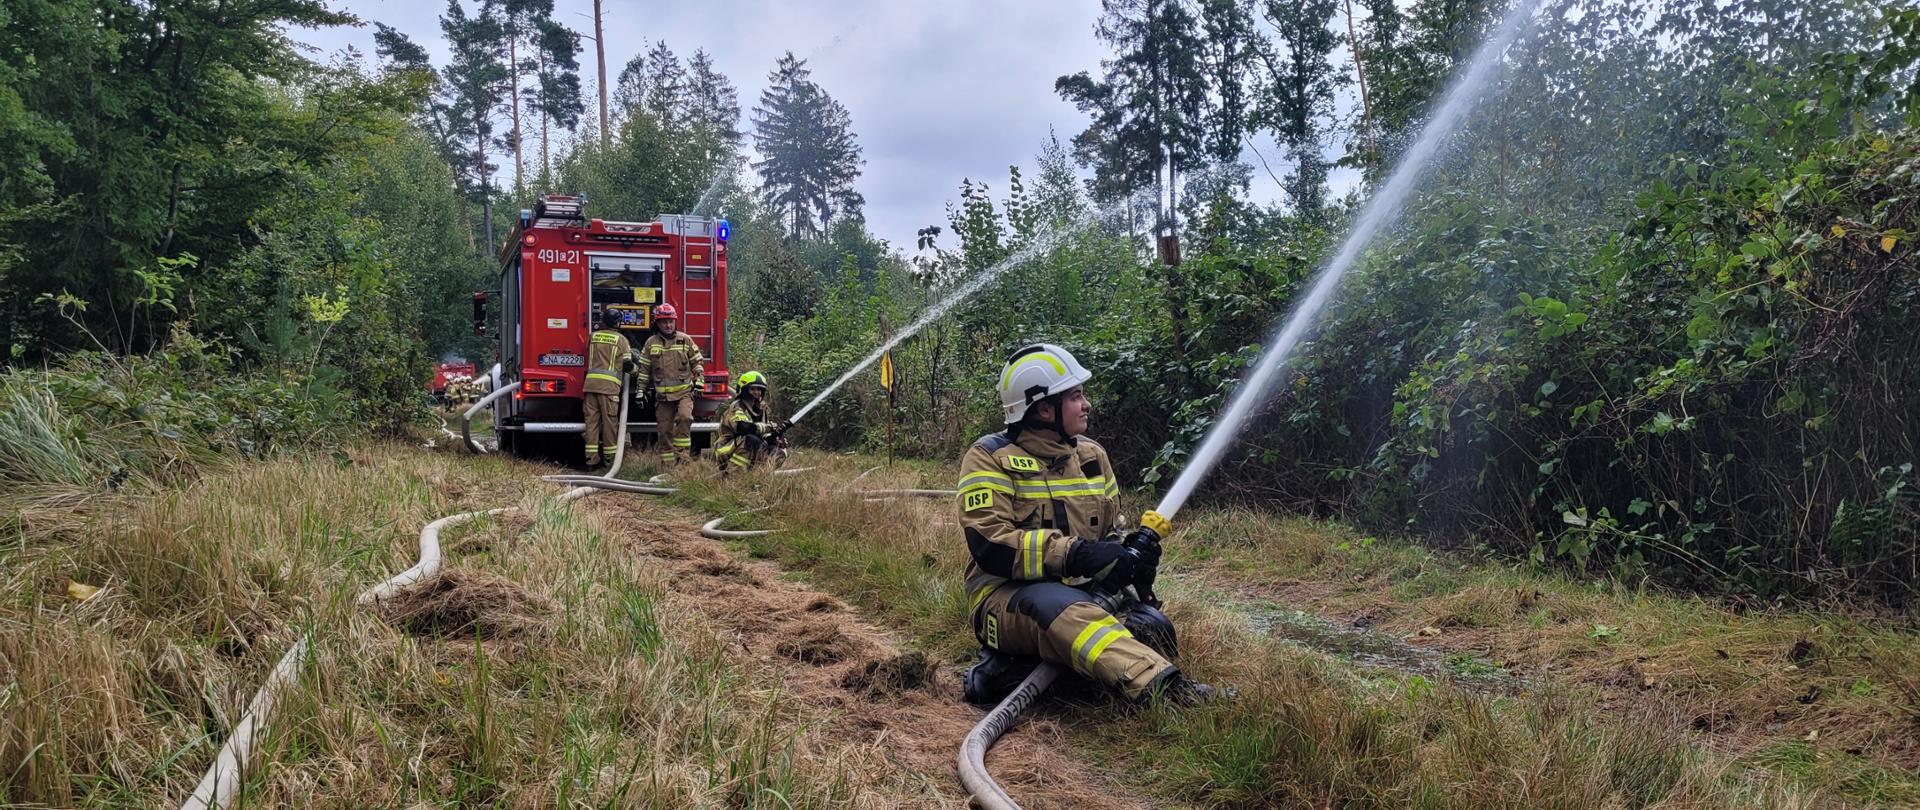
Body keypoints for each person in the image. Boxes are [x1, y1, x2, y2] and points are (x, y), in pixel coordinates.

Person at [958, 343, 1216, 706]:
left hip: (1086, 594)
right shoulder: (989, 458)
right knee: (1066, 614)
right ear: (1044, 408)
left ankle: (1014, 675)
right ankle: (1169, 691)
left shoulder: (1092, 457)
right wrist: (1076, 554)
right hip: (1007, 600)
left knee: (1154, 629)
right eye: (1076, 395)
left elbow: (1107, 539)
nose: (1087, 404)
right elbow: (992, 547)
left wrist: (1129, 559)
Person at [639, 302, 705, 465]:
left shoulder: (685, 340)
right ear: (658, 323)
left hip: (684, 393)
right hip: (663, 397)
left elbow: (697, 362)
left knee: (684, 418)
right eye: (664, 322)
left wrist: (700, 380)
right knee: (664, 430)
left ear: (675, 322)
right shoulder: (650, 343)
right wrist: (641, 391)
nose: (668, 325)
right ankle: (668, 465)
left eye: (671, 321)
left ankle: (682, 460)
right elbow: (644, 370)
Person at [582, 309, 640, 468]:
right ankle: (610, 459)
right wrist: (638, 372)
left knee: (591, 423)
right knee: (609, 424)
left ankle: (591, 459)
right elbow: (627, 365)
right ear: (618, 322)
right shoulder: (622, 340)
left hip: (590, 386)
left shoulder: (593, 336)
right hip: (608, 389)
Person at [714, 371, 791, 474]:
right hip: (726, 451)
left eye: (759, 389)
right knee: (750, 439)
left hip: (752, 446)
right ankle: (733, 475)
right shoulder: (737, 407)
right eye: (753, 389)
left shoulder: (762, 409)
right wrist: (767, 427)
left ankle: (759, 474)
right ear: (744, 389)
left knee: (779, 450)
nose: (757, 392)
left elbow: (762, 432)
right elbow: (743, 428)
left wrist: (774, 439)